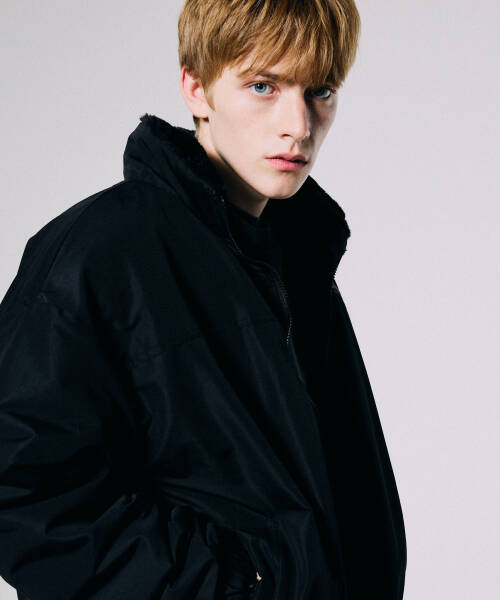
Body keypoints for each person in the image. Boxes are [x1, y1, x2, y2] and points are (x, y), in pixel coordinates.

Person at [0, 1, 407, 598]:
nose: (298, 124)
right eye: (264, 86)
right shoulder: (103, 249)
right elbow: (22, 490)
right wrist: (230, 587)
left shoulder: (294, 256)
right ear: (196, 88)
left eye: (319, 91)